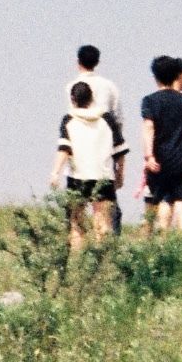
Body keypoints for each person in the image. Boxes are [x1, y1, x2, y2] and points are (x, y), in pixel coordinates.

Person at [50, 80, 127, 252]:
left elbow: (64, 149)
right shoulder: (107, 119)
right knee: (103, 224)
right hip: (103, 176)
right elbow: (120, 152)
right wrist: (120, 175)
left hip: (78, 177)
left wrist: (56, 172)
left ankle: (78, 264)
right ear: (92, 98)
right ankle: (101, 263)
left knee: (76, 224)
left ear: (72, 99)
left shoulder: (69, 120)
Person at [140, 55, 182, 232]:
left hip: (159, 161)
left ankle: (163, 243)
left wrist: (149, 155)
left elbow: (148, 127)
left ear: (155, 77)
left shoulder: (150, 101)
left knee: (163, 201)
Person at [68, 44, 123, 233]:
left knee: (77, 216)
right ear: (97, 62)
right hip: (104, 154)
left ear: (78, 62)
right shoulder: (109, 87)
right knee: (105, 214)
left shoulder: (70, 86)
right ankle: (105, 253)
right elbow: (118, 122)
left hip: (80, 156)